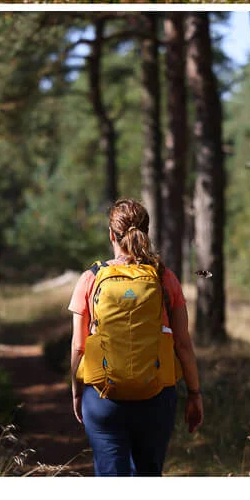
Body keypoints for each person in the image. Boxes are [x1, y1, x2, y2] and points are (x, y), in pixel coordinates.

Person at [69, 198, 203, 476]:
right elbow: (183, 346)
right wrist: (194, 393)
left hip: (103, 396)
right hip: (156, 395)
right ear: (146, 231)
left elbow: (79, 346)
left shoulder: (91, 278)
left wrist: (76, 391)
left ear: (111, 235)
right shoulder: (165, 278)